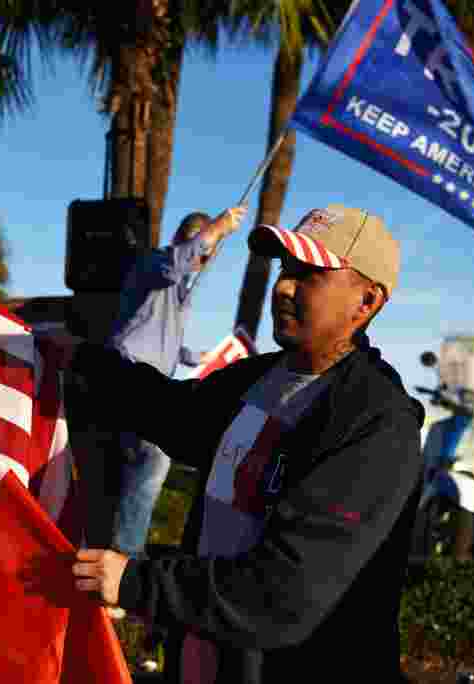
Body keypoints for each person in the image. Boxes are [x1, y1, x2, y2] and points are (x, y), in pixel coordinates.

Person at [49, 204, 424, 682]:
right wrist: (81, 364)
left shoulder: (376, 424)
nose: (284, 286)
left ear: (366, 302)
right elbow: (169, 412)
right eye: (286, 268)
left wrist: (136, 580)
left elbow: (285, 592)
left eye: (309, 274)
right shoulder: (257, 378)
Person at [107, 206, 247, 564]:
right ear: (179, 240)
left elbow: (150, 327)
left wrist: (188, 356)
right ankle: (125, 558)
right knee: (154, 459)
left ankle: (110, 549)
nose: (204, 259)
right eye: (200, 248)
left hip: (147, 381)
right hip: (126, 375)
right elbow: (175, 264)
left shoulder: (178, 289)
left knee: (128, 468)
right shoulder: (155, 264)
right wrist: (217, 228)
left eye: (209, 254)